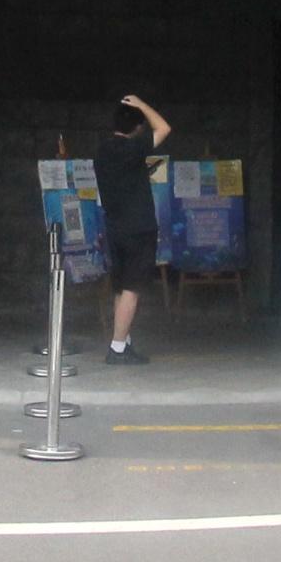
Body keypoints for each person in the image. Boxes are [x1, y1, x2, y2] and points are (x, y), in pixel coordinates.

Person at [92, 93, 173, 361]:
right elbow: (164, 128)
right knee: (132, 289)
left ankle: (122, 340)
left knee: (120, 287)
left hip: (115, 227)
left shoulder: (102, 151)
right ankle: (117, 348)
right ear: (138, 127)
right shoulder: (134, 148)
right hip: (138, 227)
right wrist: (141, 105)